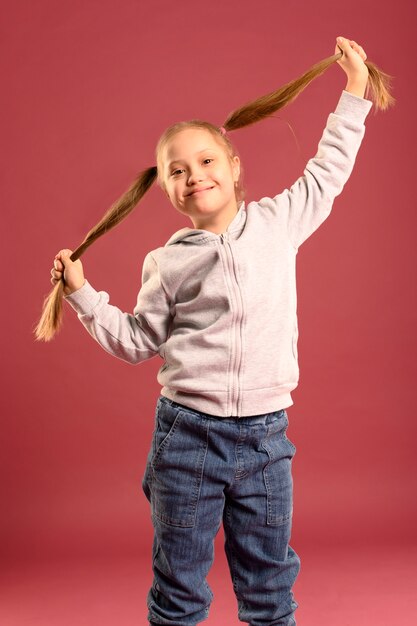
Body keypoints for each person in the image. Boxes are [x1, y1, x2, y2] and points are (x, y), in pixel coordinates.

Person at [47, 38, 390, 626]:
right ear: (166, 189)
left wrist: (354, 89)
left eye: (206, 160)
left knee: (269, 583)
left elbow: (328, 169)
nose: (193, 175)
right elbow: (135, 341)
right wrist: (82, 294)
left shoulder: (279, 223)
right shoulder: (167, 261)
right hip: (187, 438)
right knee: (179, 582)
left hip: (266, 438)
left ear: (233, 166)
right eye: (175, 170)